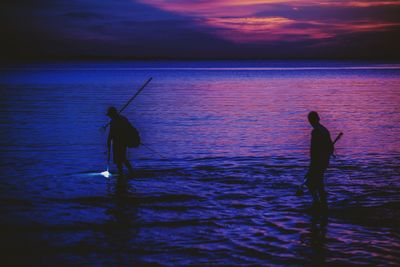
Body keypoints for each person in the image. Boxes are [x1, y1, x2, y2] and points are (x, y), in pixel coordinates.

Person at [305, 111, 334, 210]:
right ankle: (322, 203)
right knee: (319, 183)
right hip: (324, 161)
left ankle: (317, 203)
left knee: (310, 183)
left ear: (310, 121)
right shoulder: (325, 130)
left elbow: (313, 151)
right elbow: (331, 148)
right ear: (318, 119)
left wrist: (311, 167)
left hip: (318, 162)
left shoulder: (316, 131)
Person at [107, 106, 134, 176]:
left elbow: (111, 134)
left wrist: (108, 142)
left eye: (110, 115)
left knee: (121, 158)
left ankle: (127, 172)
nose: (109, 117)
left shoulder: (114, 121)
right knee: (121, 158)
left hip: (119, 142)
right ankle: (125, 172)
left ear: (112, 114)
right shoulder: (122, 119)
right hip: (121, 142)